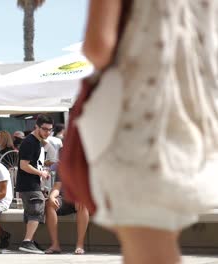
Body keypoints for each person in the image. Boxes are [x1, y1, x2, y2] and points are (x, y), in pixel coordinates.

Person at [78, 1, 218, 263]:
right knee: (154, 246)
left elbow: (98, 46)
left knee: (148, 251)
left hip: (141, 120)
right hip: (196, 122)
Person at [15, 114, 53, 254]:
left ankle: (29, 240)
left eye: (50, 130)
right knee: (36, 212)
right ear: (36, 127)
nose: (47, 132)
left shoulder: (37, 142)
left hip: (30, 184)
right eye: (44, 129)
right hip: (29, 184)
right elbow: (23, 165)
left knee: (32, 213)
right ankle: (27, 241)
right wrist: (40, 173)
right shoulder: (30, 142)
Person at [44, 172, 89, 255]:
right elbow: (57, 187)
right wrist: (51, 197)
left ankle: (80, 245)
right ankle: (55, 245)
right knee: (49, 204)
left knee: (83, 204)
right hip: (66, 199)